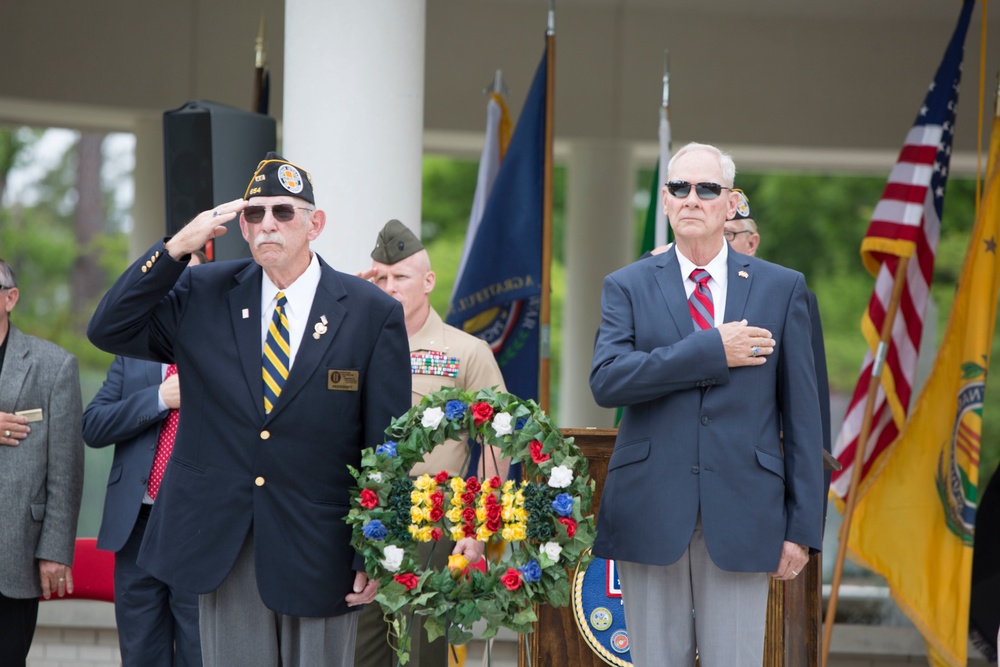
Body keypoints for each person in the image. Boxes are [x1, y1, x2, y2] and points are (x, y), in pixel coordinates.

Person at [87, 152, 411, 667]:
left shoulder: (372, 312)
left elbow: (386, 444)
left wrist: (375, 545)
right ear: (241, 226)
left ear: (314, 223)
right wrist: (175, 249)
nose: (267, 225)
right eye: (254, 215)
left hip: (319, 544)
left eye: (283, 212)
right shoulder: (203, 291)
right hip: (223, 541)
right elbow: (109, 328)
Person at [589, 142, 825, 666]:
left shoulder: (782, 288)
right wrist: (710, 350)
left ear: (730, 202)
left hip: (746, 513)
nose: (691, 199)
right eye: (679, 188)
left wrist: (802, 527)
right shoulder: (626, 286)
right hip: (650, 510)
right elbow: (607, 382)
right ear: (667, 203)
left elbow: (804, 420)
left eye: (707, 188)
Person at [355, 220, 508, 667]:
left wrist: (477, 531)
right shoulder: (347, 346)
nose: (389, 286)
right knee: (353, 651)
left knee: (419, 652)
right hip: (358, 518)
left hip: (432, 521)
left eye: (400, 276)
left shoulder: (466, 352)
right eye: (379, 277)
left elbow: (496, 445)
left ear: (428, 282)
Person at [82, 250, 207, 667]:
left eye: (187, 282)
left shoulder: (220, 353)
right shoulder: (131, 353)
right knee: (139, 654)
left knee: (199, 651)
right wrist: (158, 398)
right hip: (135, 527)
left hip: (195, 527)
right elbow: (93, 425)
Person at [0, 258, 84, 667]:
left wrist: (55, 550)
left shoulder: (54, 366)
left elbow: (65, 470)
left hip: (13, 554)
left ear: (10, 298)